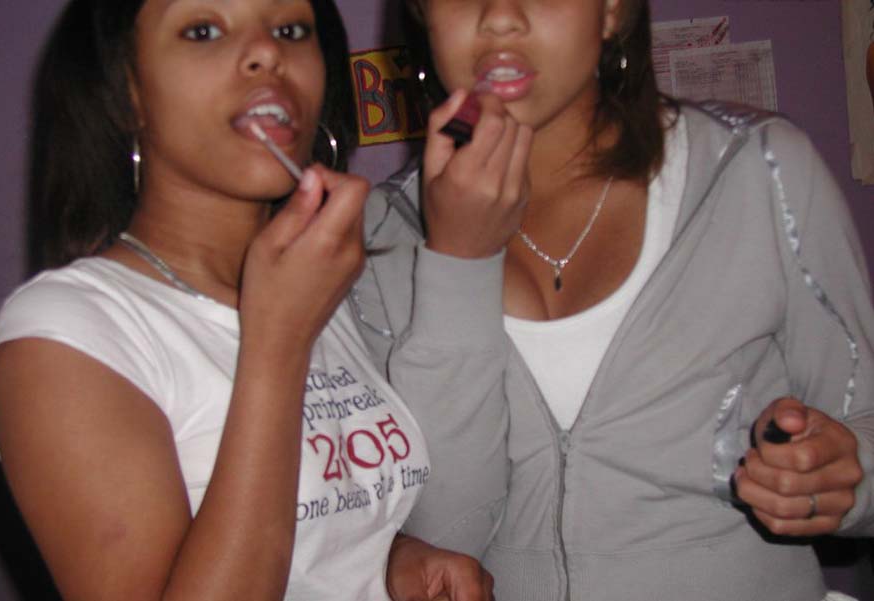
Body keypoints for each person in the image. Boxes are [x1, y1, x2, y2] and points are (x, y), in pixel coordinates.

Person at [350, 0, 874, 599]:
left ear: (612, 11)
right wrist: (458, 262)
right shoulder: (380, 236)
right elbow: (448, 538)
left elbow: (864, 428)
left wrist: (841, 475)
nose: (500, 16)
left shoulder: (757, 168)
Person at [0, 1, 494, 600]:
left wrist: (396, 559)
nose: (268, 51)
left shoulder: (309, 283)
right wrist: (277, 345)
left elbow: (315, 531)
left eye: (291, 29)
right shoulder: (65, 333)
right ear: (128, 93)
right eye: (202, 30)